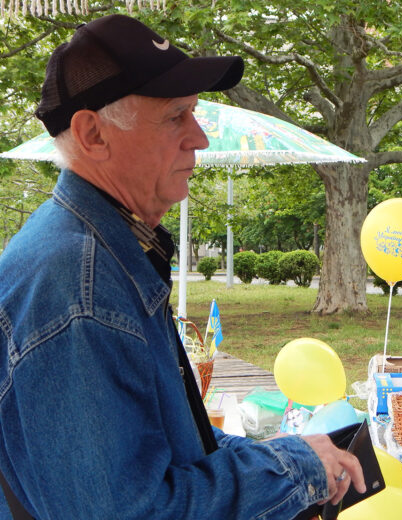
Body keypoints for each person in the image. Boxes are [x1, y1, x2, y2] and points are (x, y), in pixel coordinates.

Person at [0, 14, 364, 520]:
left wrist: (284, 457)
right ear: (92, 133)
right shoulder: (78, 286)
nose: (199, 139)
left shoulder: (104, 249)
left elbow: (171, 442)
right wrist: (296, 466)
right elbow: (130, 511)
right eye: (176, 118)